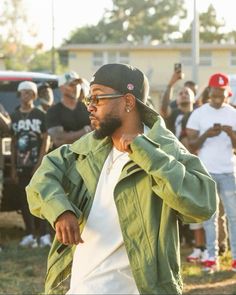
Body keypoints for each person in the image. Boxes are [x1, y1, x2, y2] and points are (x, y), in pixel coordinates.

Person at [26, 63, 216, 295]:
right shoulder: (92, 146)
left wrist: (147, 154)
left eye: (98, 98)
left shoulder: (164, 149)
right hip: (82, 287)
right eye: (89, 99)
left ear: (128, 101)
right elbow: (43, 176)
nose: (90, 107)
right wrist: (60, 211)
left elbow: (203, 203)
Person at [186, 72, 236, 273]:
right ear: (209, 92)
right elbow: (191, 145)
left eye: (221, 94)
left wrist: (230, 133)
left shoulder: (232, 113)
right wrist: (207, 134)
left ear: (227, 93)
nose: (218, 98)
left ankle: (234, 258)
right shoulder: (199, 113)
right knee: (210, 217)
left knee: (233, 216)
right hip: (206, 171)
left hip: (228, 171)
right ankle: (211, 257)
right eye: (215, 94)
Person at [10, 81, 51, 248]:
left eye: (28, 93)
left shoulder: (40, 114)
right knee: (24, 200)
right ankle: (29, 234)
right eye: (22, 93)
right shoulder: (14, 116)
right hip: (21, 166)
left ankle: (44, 234)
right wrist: (12, 167)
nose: (24, 96)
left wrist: (40, 162)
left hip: (38, 165)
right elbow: (13, 143)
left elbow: (46, 139)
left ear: (34, 95)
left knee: (41, 198)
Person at [46, 71, 92, 148]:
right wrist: (87, 130)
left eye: (78, 84)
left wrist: (69, 136)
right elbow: (59, 141)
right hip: (64, 157)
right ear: (62, 88)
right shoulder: (53, 111)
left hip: (86, 156)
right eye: (72, 85)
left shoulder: (88, 108)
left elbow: (98, 134)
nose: (76, 87)